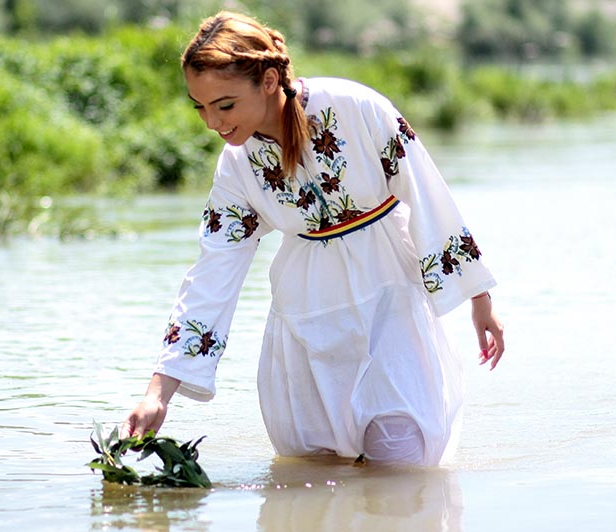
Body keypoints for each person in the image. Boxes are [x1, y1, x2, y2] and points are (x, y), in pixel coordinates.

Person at [122, 11, 504, 466]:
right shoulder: (237, 166)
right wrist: (158, 394)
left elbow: (426, 193)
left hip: (390, 301)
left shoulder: (355, 107)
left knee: (401, 460)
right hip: (306, 316)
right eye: (200, 106)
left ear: (268, 80)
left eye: (224, 105)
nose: (211, 123)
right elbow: (212, 273)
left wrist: (479, 297)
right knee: (316, 466)